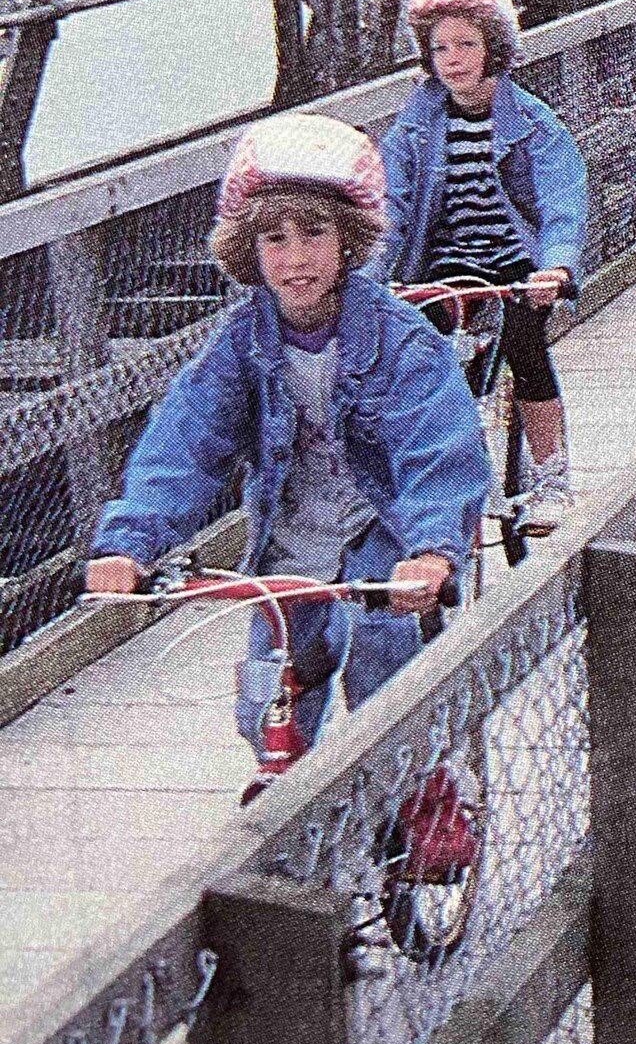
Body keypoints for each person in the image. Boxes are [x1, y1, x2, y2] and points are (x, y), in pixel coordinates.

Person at [85, 113, 492, 776]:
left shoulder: (402, 342)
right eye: (274, 239)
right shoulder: (241, 344)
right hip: (292, 540)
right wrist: (129, 543)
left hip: (382, 533)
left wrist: (431, 549)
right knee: (268, 702)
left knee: (386, 671)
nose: (294, 257)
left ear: (349, 241)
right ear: (251, 251)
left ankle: (431, 789)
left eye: (313, 234)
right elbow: (186, 445)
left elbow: (437, 450)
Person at [373, 0, 588, 533]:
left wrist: (557, 265)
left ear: (495, 46)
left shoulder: (533, 122)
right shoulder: (414, 125)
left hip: (516, 259)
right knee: (415, 346)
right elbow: (390, 206)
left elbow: (560, 196)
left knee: (524, 343)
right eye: (439, 48)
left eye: (467, 44)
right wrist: (368, 278)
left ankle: (550, 474)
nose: (453, 60)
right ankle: (420, 471)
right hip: (447, 259)